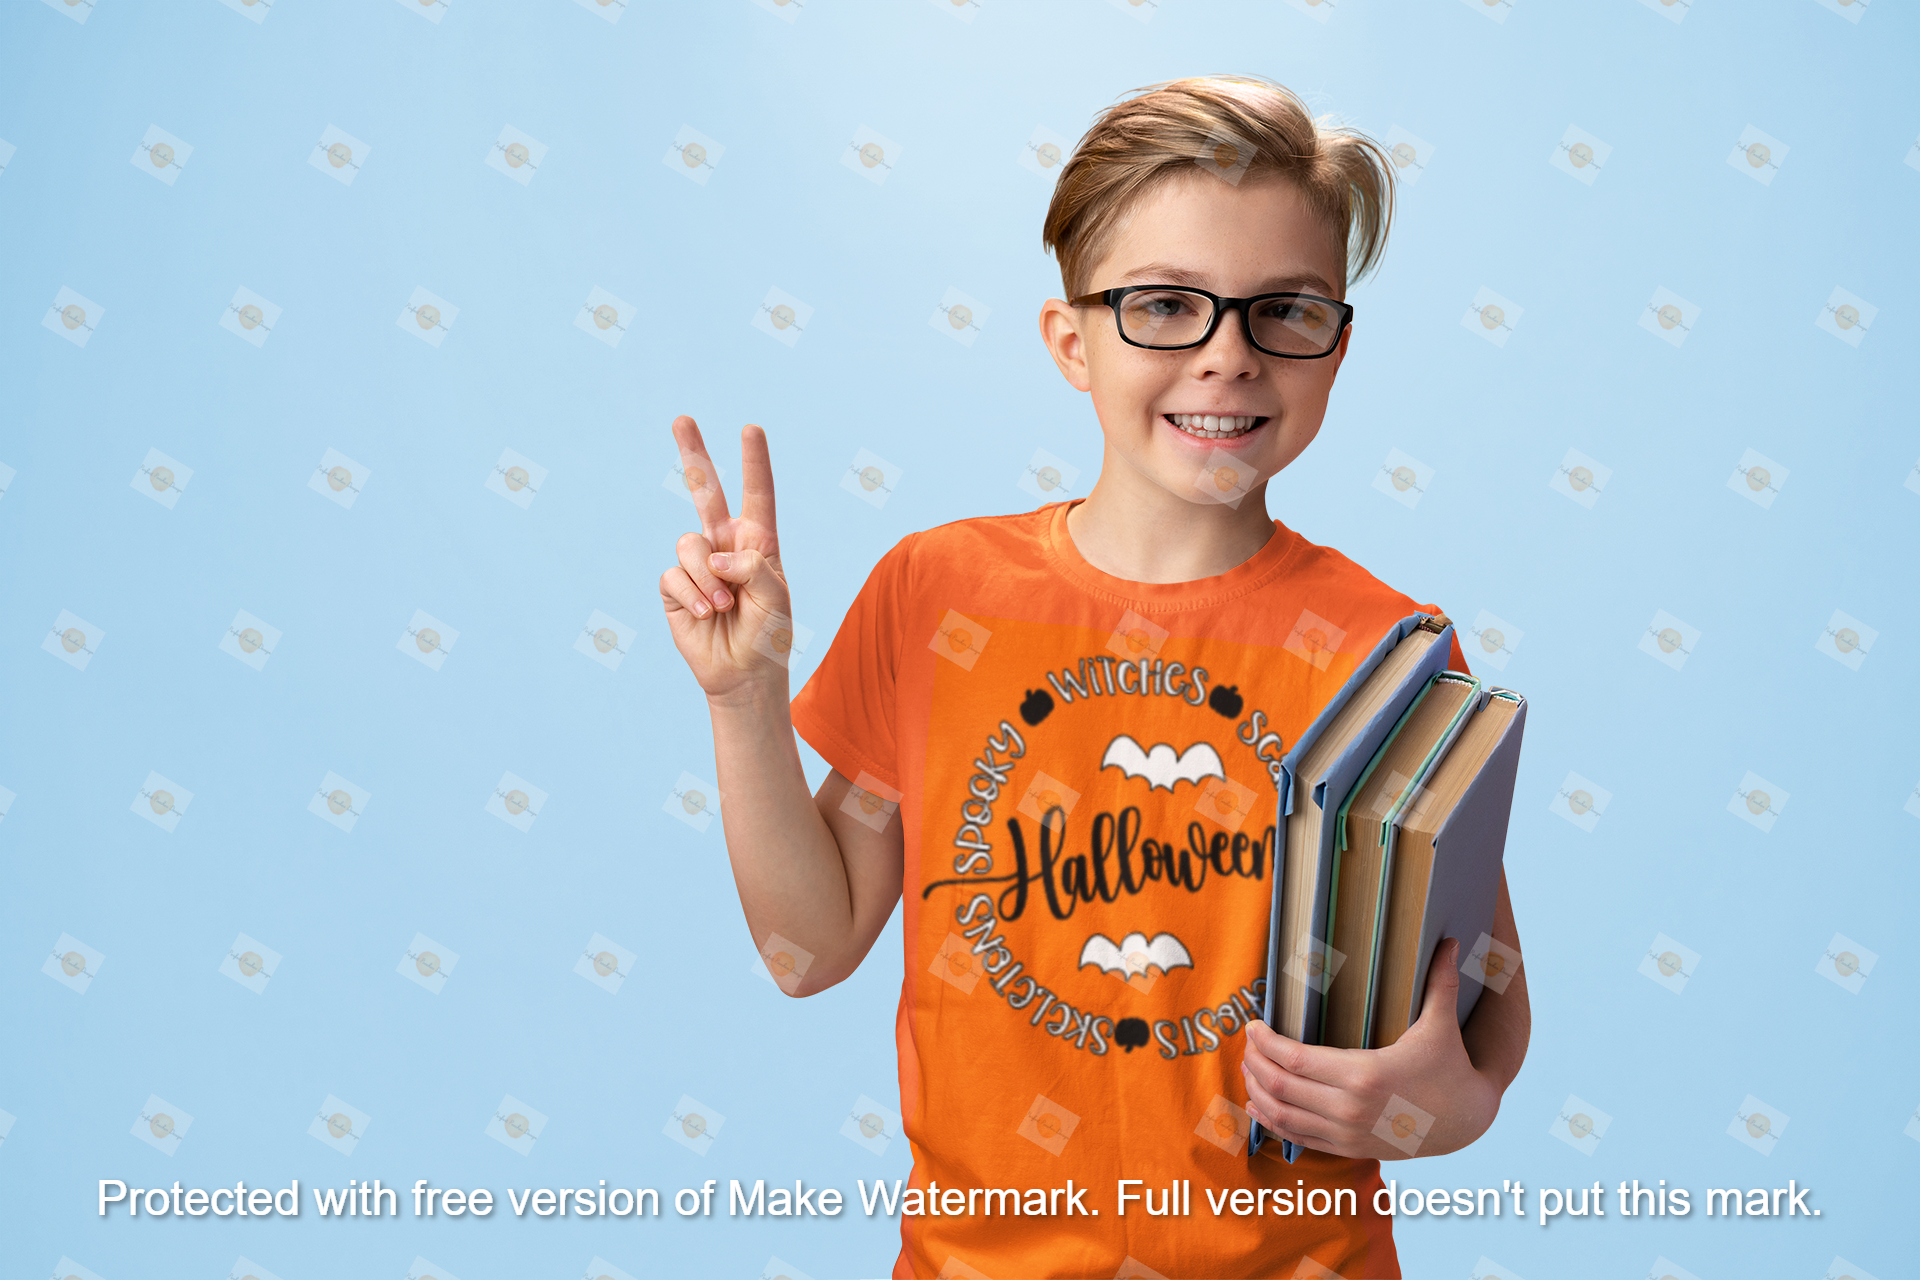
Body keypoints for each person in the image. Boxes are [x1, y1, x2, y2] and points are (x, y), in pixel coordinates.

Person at [658, 74, 1530, 1280]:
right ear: (1072, 340)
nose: (1227, 356)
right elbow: (807, 949)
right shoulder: (936, 594)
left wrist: (1447, 1107)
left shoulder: (1390, 649)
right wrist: (743, 700)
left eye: (1283, 309)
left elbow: (1481, 996)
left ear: (1336, 344)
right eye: (1165, 304)